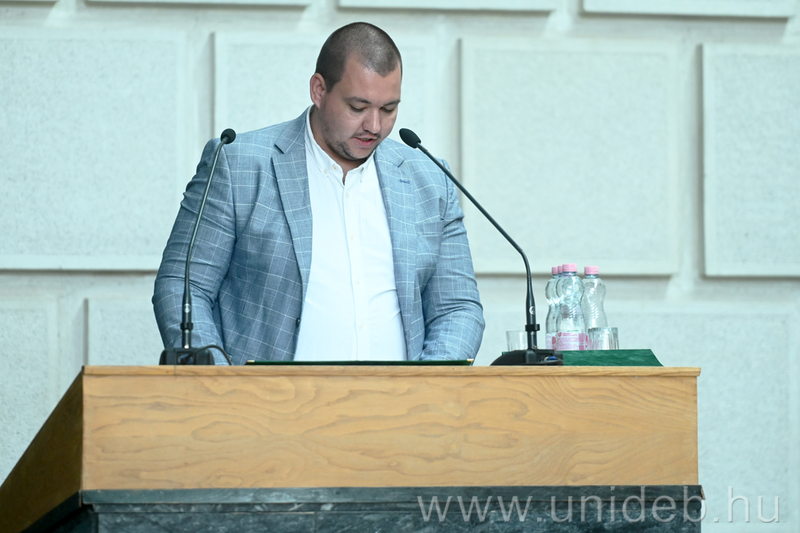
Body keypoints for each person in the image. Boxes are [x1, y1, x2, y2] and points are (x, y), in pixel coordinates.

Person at [153, 22, 484, 364]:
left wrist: (428, 385)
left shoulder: (430, 179)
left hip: (400, 398)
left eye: (388, 109)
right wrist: (220, 383)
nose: (374, 126)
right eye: (358, 107)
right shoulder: (239, 166)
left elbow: (457, 307)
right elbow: (183, 285)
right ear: (319, 90)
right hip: (263, 397)